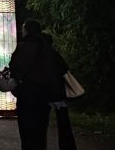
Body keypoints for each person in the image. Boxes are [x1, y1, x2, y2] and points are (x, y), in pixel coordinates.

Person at [9, 20, 70, 150]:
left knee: (26, 132)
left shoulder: (22, 48)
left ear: (27, 30)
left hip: (26, 95)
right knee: (41, 131)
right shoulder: (48, 48)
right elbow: (62, 67)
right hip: (44, 96)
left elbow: (14, 69)